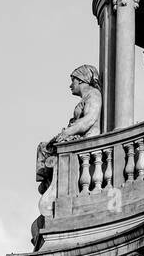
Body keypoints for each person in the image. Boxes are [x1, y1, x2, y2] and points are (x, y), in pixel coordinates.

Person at [36, 65, 102, 195]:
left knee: (46, 147)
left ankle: (50, 180)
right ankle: (48, 178)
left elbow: (89, 119)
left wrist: (67, 132)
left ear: (81, 80)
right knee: (44, 147)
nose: (70, 85)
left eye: (73, 81)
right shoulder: (87, 97)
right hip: (77, 136)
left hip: (85, 139)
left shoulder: (93, 94)